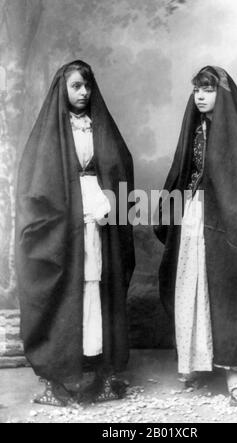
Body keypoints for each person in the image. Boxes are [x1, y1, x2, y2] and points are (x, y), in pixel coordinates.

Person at [154, 66, 237, 406]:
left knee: (228, 292)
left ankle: (233, 371)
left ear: (222, 94)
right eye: (197, 89)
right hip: (194, 217)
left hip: (229, 223)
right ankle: (196, 361)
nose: (200, 95)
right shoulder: (194, 129)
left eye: (208, 89)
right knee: (192, 284)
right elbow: (182, 174)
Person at [15, 60, 135, 406]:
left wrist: (108, 198)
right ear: (63, 90)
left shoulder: (100, 127)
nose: (83, 93)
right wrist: (64, 210)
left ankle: (97, 366)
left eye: (87, 86)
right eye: (76, 87)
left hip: (99, 217)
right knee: (69, 286)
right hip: (63, 223)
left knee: (97, 285)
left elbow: (119, 165)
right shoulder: (51, 132)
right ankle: (63, 372)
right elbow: (37, 182)